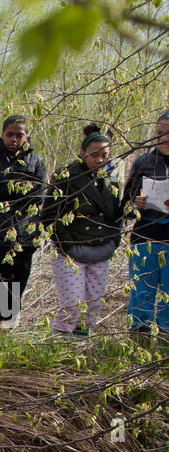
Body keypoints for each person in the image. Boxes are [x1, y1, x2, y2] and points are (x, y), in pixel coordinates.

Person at [42, 125, 123, 338]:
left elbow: (117, 215)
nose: (99, 160)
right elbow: (50, 215)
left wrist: (114, 241)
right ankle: (59, 346)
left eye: (104, 155)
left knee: (93, 304)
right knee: (72, 304)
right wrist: (66, 244)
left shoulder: (112, 180)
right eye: (94, 154)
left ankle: (80, 347)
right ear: (83, 152)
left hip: (101, 250)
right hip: (71, 252)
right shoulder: (65, 176)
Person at [0, 114, 47, 329]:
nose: (14, 139)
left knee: (11, 294)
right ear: (2, 134)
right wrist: (23, 185)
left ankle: (1, 334)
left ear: (26, 136)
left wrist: (1, 187)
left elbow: (39, 195)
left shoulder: (37, 161)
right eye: (9, 134)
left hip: (23, 237)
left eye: (19, 135)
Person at [123, 110, 169, 337]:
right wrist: (135, 204)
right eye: (159, 133)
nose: (164, 138)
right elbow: (124, 208)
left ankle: (164, 341)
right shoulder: (143, 163)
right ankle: (137, 340)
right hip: (145, 236)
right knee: (141, 292)